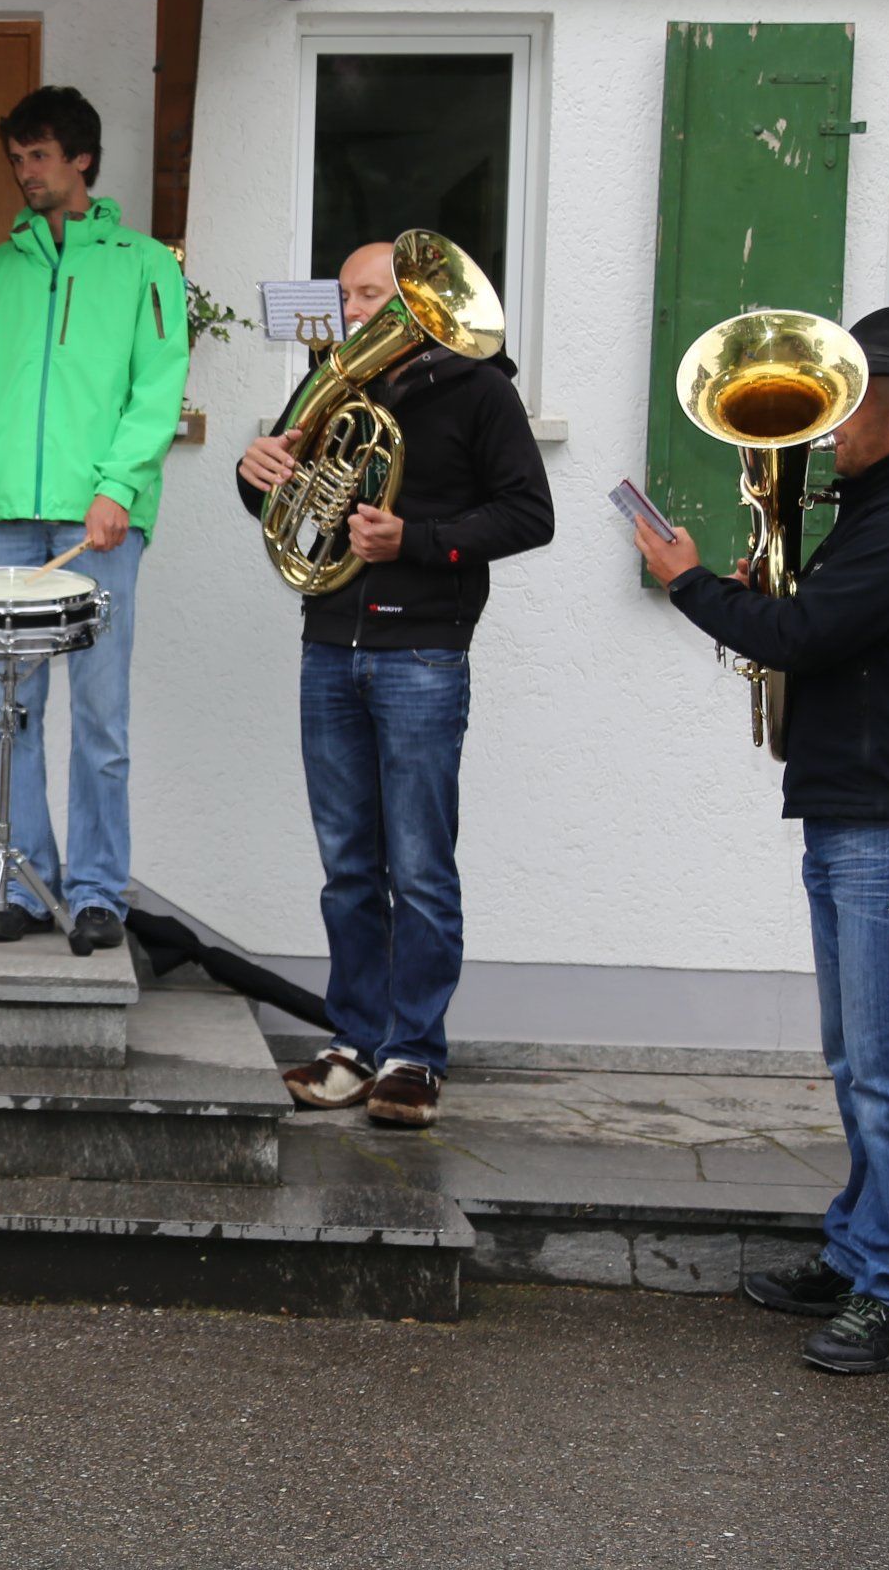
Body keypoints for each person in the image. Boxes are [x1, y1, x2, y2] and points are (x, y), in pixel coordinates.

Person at [631, 305, 889, 1375]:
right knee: (858, 1059)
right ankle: (858, 1252)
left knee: (886, 1066)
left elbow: (805, 635)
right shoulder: (888, 513)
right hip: (860, 807)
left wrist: (690, 583)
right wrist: (762, 591)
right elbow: (823, 624)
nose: (831, 427)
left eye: (849, 407)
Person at [237, 240, 553, 1129]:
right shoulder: (331, 384)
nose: (352, 312)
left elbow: (531, 514)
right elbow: (281, 501)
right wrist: (253, 473)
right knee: (347, 866)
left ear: (419, 305)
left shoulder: (482, 391)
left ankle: (415, 1053)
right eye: (345, 296)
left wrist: (414, 540)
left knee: (418, 867)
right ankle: (353, 1044)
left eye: (370, 296)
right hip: (329, 645)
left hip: (422, 652)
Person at [0, 86, 188, 956]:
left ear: (82, 159)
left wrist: (119, 488)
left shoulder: (145, 265)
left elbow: (156, 388)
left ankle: (98, 891)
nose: (25, 172)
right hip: (1, 519)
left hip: (96, 522)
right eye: (17, 158)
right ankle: (25, 883)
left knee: (102, 718)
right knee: (11, 718)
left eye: (38, 155)